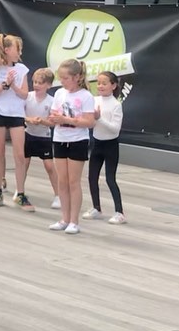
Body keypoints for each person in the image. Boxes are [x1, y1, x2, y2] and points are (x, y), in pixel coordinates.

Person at [47, 58, 95, 234]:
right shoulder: (60, 93)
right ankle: (64, 218)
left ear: (76, 77)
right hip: (60, 138)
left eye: (65, 78)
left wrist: (66, 119)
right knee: (62, 180)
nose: (62, 81)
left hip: (77, 140)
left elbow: (89, 122)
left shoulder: (86, 96)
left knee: (73, 181)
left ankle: (74, 220)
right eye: (61, 78)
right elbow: (53, 114)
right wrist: (54, 118)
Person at [0, 33, 31, 210]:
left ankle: (20, 193)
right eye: (18, 49)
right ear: (7, 50)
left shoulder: (22, 69)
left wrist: (14, 85)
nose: (20, 53)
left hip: (16, 114)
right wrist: (4, 85)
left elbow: (25, 95)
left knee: (19, 154)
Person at [84, 71, 126, 225]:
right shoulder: (94, 101)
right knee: (92, 177)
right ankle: (96, 207)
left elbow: (115, 129)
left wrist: (99, 118)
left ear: (113, 86)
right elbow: (90, 121)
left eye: (104, 83)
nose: (100, 86)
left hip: (110, 146)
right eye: (99, 83)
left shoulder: (116, 105)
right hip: (97, 144)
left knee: (110, 178)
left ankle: (119, 212)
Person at [24, 68, 60, 209]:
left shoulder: (52, 101)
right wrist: (29, 119)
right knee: (24, 163)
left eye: (40, 83)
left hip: (44, 137)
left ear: (49, 85)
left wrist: (42, 121)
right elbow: (20, 115)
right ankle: (19, 191)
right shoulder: (27, 96)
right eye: (35, 82)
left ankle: (58, 196)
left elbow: (53, 122)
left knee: (49, 166)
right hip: (28, 134)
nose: (37, 85)